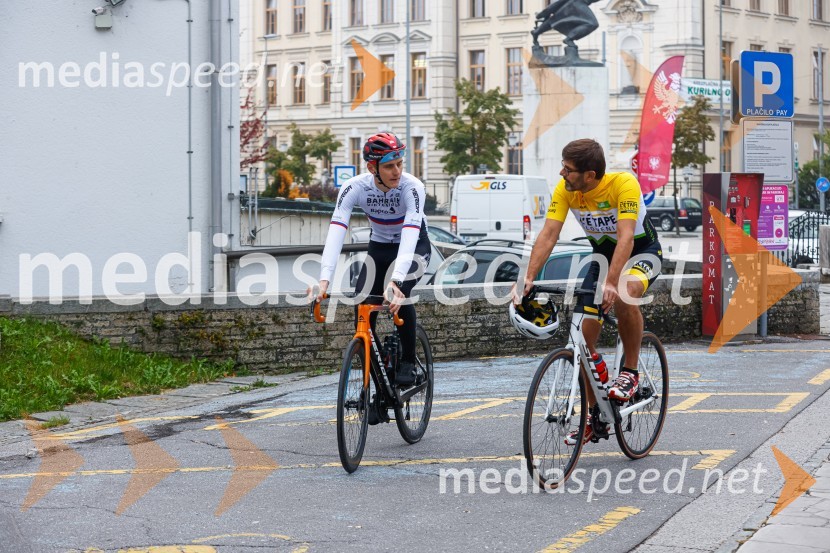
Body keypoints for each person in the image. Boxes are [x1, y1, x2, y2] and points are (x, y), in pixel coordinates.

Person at [513, 139, 662, 445]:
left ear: (590, 175)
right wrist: (527, 277)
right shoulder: (567, 190)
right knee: (582, 341)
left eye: (568, 169)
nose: (561, 173)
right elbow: (549, 234)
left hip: (641, 252)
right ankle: (596, 417)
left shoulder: (623, 185)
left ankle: (630, 372)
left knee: (623, 292)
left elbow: (626, 239)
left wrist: (611, 281)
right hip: (601, 258)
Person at [312, 132, 430, 391]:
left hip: (413, 245)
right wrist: (324, 280)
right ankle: (376, 386)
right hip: (379, 246)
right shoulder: (355, 187)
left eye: (400, 163)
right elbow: (336, 231)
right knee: (361, 307)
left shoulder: (413, 187)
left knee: (401, 294)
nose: (397, 171)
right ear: (372, 168)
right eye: (389, 166)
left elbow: (410, 234)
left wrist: (398, 281)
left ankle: (409, 360)